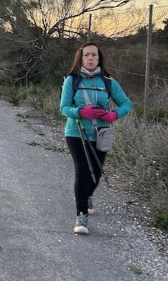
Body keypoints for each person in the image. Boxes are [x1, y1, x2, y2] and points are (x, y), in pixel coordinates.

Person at [59, 42, 132, 235]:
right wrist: (81, 112)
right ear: (80, 58)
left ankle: (88, 195)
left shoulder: (108, 82)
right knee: (83, 171)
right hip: (76, 132)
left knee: (96, 173)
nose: (90, 58)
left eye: (94, 55)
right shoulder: (72, 80)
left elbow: (126, 104)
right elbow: (64, 108)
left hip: (102, 133)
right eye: (87, 55)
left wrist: (114, 115)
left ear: (99, 59)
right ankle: (81, 215)